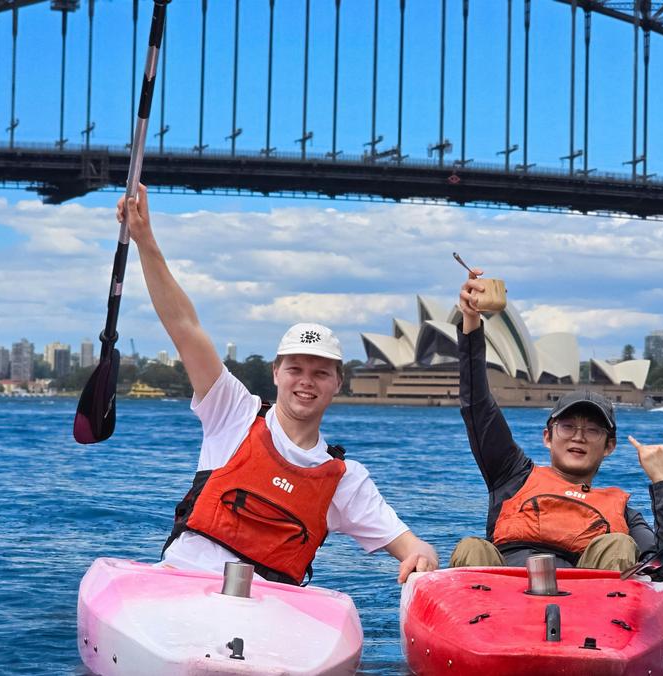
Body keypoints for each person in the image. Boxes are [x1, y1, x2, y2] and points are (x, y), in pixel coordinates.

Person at [117, 185, 438, 585]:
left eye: (320, 373)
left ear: (338, 382)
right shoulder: (232, 412)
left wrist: (421, 558)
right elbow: (185, 328)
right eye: (295, 370)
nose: (306, 382)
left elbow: (413, 546)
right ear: (275, 373)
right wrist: (146, 241)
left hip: (268, 616)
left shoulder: (345, 479)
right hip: (182, 586)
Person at [449, 268, 663, 588]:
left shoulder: (624, 513)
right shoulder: (511, 475)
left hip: (589, 610)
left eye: (592, 430)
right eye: (567, 426)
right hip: (498, 606)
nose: (578, 435)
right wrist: (471, 323)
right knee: (471, 547)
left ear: (609, 446)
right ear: (547, 437)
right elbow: (477, 406)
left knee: (618, 545)